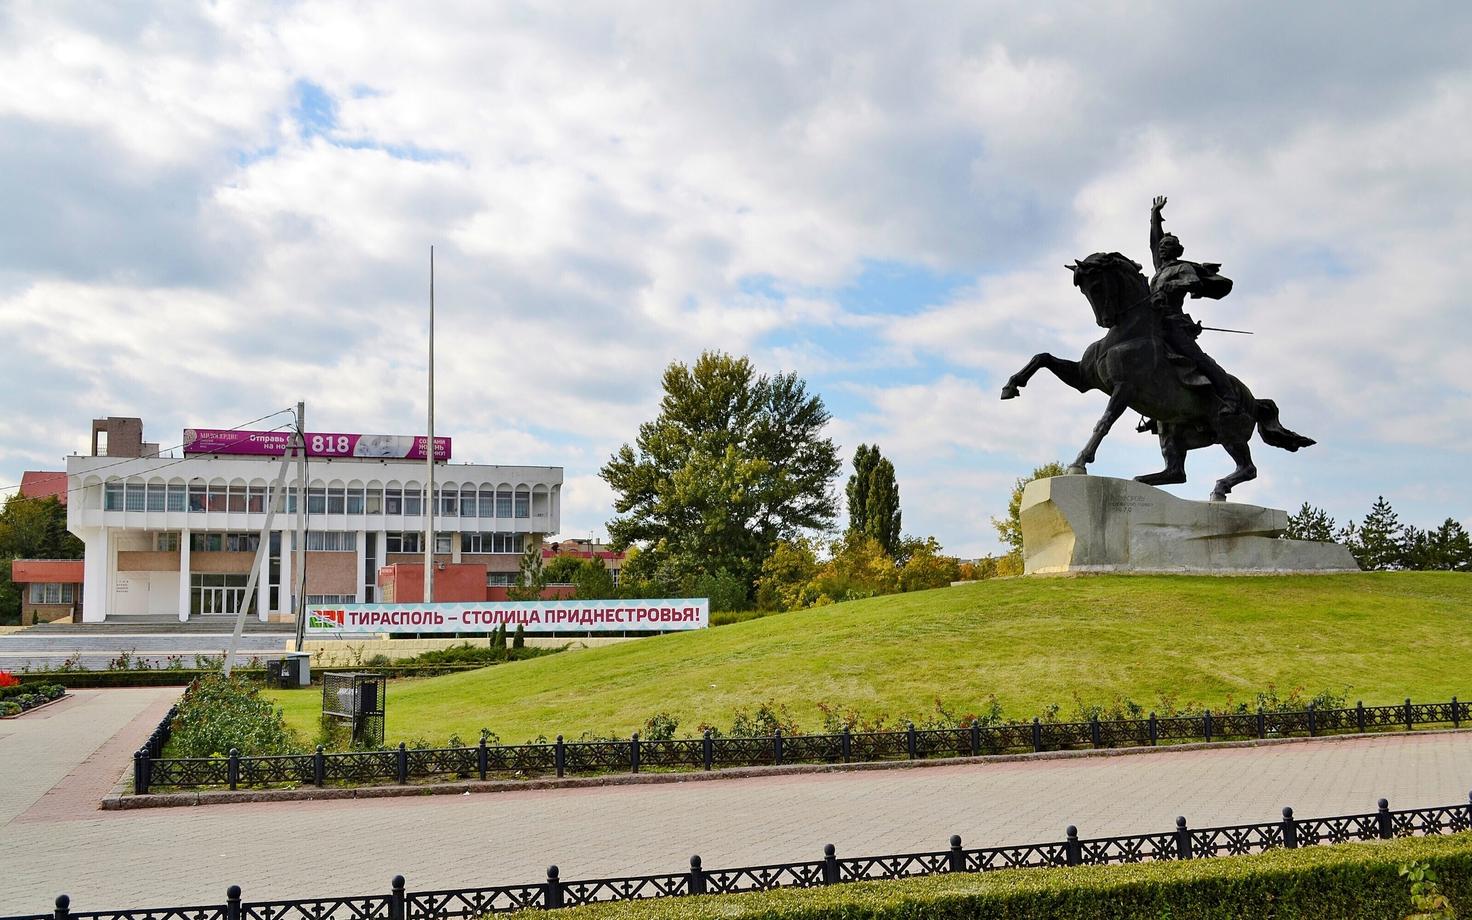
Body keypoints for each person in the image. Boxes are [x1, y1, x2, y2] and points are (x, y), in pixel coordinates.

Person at [1149, 196, 1240, 415]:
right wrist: (1155, 216)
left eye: (1167, 245)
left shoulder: (1182, 268)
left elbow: (1195, 282)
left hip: (1173, 322)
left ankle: (1229, 397)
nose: (1162, 248)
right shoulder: (1159, 268)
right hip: (1153, 321)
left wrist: (1174, 285)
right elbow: (1154, 240)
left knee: (1198, 359)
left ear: (1177, 250)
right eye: (1161, 246)